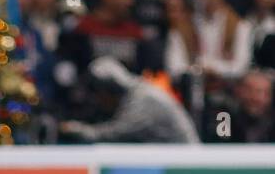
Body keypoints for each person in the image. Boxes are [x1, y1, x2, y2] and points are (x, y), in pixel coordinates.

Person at [61, 55, 198, 143]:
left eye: (98, 95)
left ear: (109, 90)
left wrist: (77, 129)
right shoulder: (137, 91)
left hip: (185, 164)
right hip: (168, 160)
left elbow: (115, 134)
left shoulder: (143, 99)